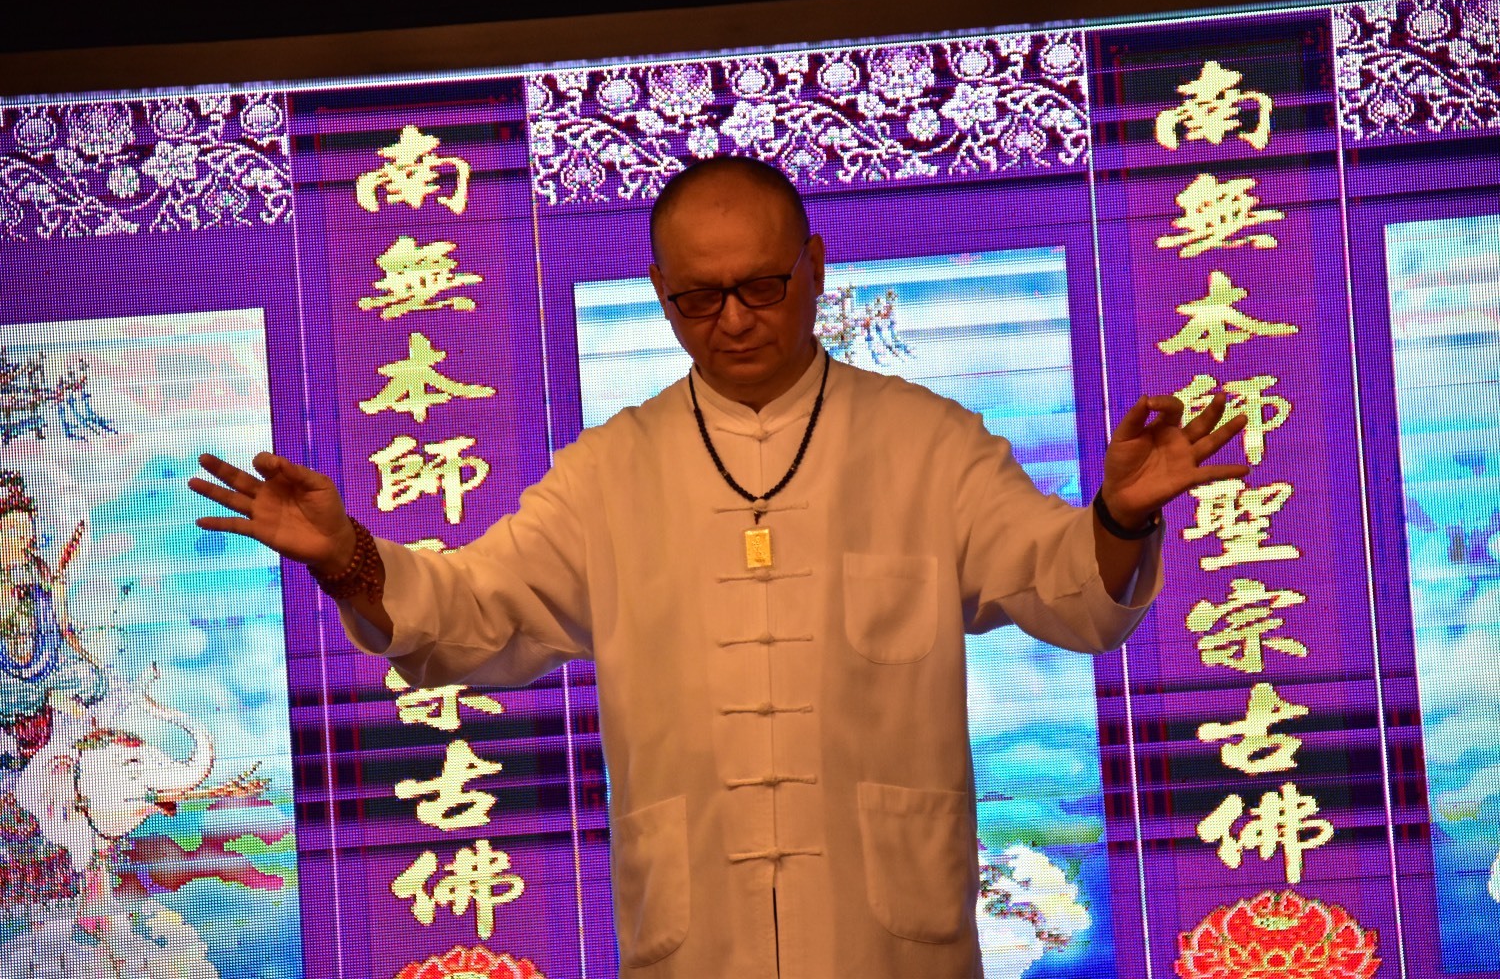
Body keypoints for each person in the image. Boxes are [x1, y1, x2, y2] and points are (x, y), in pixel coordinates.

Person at [190, 156, 1247, 977]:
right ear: (660, 293)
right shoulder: (611, 470)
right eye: (699, 297)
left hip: (889, 937)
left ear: (815, 267)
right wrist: (348, 558)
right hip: (695, 936)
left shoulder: (926, 442)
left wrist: (1118, 514)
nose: (734, 319)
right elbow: (470, 611)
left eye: (762, 286)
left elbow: (1066, 586)